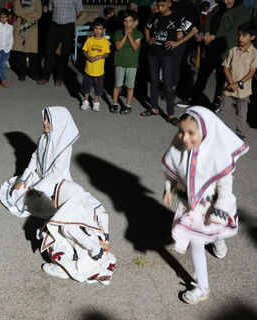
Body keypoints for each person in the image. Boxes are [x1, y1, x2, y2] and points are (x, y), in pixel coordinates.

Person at [162, 106, 248, 304]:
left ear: (206, 130)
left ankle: (218, 240)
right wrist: (168, 188)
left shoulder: (218, 155)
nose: (184, 137)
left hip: (212, 207)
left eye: (191, 133)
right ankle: (203, 286)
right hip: (191, 209)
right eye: (181, 131)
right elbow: (171, 172)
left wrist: (219, 210)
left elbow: (225, 189)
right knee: (196, 242)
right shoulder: (179, 148)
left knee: (214, 231)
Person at [0, 106, 79, 218]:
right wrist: (25, 177)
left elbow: (56, 174)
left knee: (42, 202)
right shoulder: (43, 138)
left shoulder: (65, 147)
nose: (44, 123)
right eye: (44, 119)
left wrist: (36, 188)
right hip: (40, 174)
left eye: (48, 120)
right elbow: (35, 157)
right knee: (18, 191)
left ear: (59, 123)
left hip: (54, 181)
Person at [37, 180, 116, 285]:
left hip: (87, 255)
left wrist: (95, 250)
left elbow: (83, 240)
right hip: (95, 247)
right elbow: (102, 218)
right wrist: (103, 239)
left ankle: (66, 269)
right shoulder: (81, 209)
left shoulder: (68, 226)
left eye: (55, 197)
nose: (52, 199)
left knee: (50, 238)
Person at [177, 0, 251, 110]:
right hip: (211, 48)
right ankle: (194, 99)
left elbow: (235, 32)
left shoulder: (242, 11)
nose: (225, 2)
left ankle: (216, 103)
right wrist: (207, 33)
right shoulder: (220, 7)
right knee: (202, 74)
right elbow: (208, 20)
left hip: (225, 50)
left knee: (221, 78)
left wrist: (213, 37)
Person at [140, 0, 197, 125]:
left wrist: (177, 43)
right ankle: (154, 108)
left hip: (167, 55)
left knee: (168, 83)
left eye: (162, 6)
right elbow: (147, 27)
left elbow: (194, 30)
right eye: (158, 5)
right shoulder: (155, 16)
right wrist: (148, 38)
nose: (159, 8)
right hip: (153, 54)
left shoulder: (177, 16)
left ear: (169, 4)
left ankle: (170, 114)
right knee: (154, 82)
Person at [220, 22, 257, 140]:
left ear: (252, 37)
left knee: (241, 113)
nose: (240, 38)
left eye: (244, 35)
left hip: (243, 90)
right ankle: (219, 129)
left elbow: (251, 72)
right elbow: (226, 67)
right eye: (239, 35)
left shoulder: (255, 53)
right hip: (229, 87)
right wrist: (231, 83)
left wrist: (238, 84)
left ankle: (239, 133)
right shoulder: (233, 50)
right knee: (223, 109)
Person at [37, 0, 83, 86]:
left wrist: (71, 19)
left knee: (65, 53)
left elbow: (79, 10)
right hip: (54, 26)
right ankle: (45, 76)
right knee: (49, 51)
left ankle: (60, 77)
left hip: (68, 27)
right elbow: (50, 9)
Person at [111, 10, 142, 114]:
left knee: (130, 85)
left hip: (132, 64)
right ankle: (115, 103)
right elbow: (118, 47)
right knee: (117, 84)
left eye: (130, 21)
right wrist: (125, 35)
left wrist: (129, 35)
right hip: (119, 62)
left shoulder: (138, 34)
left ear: (134, 22)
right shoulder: (117, 33)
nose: (127, 23)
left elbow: (135, 47)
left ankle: (128, 105)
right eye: (125, 21)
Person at [80, 18, 110, 112]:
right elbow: (84, 51)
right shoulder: (89, 40)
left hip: (99, 71)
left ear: (104, 30)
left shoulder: (105, 42)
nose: (97, 30)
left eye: (100, 28)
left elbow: (107, 54)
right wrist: (89, 57)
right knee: (86, 87)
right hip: (88, 70)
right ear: (93, 28)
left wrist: (100, 56)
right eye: (96, 28)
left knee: (98, 88)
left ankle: (96, 102)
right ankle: (86, 101)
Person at [11, 0, 42, 81]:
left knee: (32, 51)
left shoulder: (37, 0)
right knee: (20, 51)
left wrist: (24, 15)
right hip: (19, 26)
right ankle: (22, 73)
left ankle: (34, 73)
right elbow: (17, 12)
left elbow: (38, 14)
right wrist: (31, 11)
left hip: (32, 26)